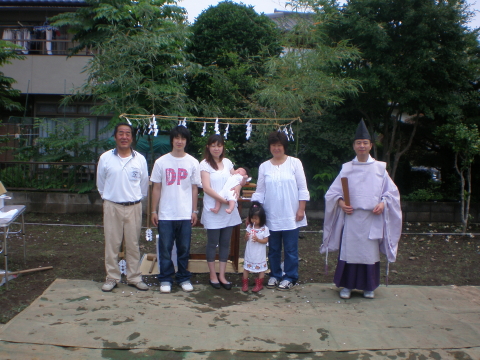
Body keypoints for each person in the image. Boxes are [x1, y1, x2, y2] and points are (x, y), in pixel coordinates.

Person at [320, 120, 402, 299]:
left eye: (365, 143)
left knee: (368, 254)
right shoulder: (347, 168)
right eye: (359, 143)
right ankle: (347, 286)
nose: (362, 146)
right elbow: (332, 193)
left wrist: (383, 203)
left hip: (372, 217)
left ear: (371, 145)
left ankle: (369, 287)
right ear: (354, 146)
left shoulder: (380, 168)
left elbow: (392, 192)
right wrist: (341, 203)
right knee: (350, 253)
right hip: (352, 217)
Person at [251, 131, 310, 291]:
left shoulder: (295, 163)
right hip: (271, 214)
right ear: (270, 147)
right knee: (274, 248)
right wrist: (255, 211)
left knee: (291, 249)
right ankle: (275, 275)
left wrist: (301, 208)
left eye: (279, 145)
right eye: (273, 145)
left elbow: (302, 188)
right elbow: (260, 191)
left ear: (284, 146)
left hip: (291, 214)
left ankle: (290, 276)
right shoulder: (264, 166)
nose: (276, 148)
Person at [96, 122, 149, 292]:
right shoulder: (105, 158)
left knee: (133, 244)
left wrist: (134, 199)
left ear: (132, 138)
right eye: (121, 133)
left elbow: (143, 185)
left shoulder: (140, 159)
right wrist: (111, 198)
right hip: (112, 206)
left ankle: (134, 277)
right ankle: (112, 277)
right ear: (115, 136)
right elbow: (101, 184)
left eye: (127, 134)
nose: (124, 137)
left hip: (134, 206)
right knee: (112, 244)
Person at [150, 126, 201, 294]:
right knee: (165, 248)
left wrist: (194, 211)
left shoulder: (193, 162)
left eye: (183, 138)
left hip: (185, 213)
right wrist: (153, 211)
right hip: (165, 213)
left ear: (187, 141)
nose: (179, 141)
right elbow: (156, 187)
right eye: (176, 138)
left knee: (184, 248)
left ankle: (183, 277)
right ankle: (165, 278)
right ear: (171, 140)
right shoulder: (161, 162)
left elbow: (194, 189)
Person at [200, 134, 242, 290]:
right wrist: (224, 201)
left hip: (229, 210)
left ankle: (222, 275)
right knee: (212, 243)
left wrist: (237, 188)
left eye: (219, 145)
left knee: (225, 242)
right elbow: (206, 188)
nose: (216, 148)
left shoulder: (227, 162)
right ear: (208, 147)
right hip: (213, 209)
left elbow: (236, 178)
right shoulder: (204, 164)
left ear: (223, 147)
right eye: (213, 145)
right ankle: (212, 275)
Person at [242, 201, 270, 293]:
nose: (254, 221)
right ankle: (245, 283)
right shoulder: (250, 227)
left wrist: (258, 239)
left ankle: (259, 284)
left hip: (259, 253)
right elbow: (245, 239)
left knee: (261, 268)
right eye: (252, 218)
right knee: (246, 268)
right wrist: (246, 236)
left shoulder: (264, 229)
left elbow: (266, 240)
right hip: (250, 252)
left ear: (261, 219)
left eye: (256, 219)